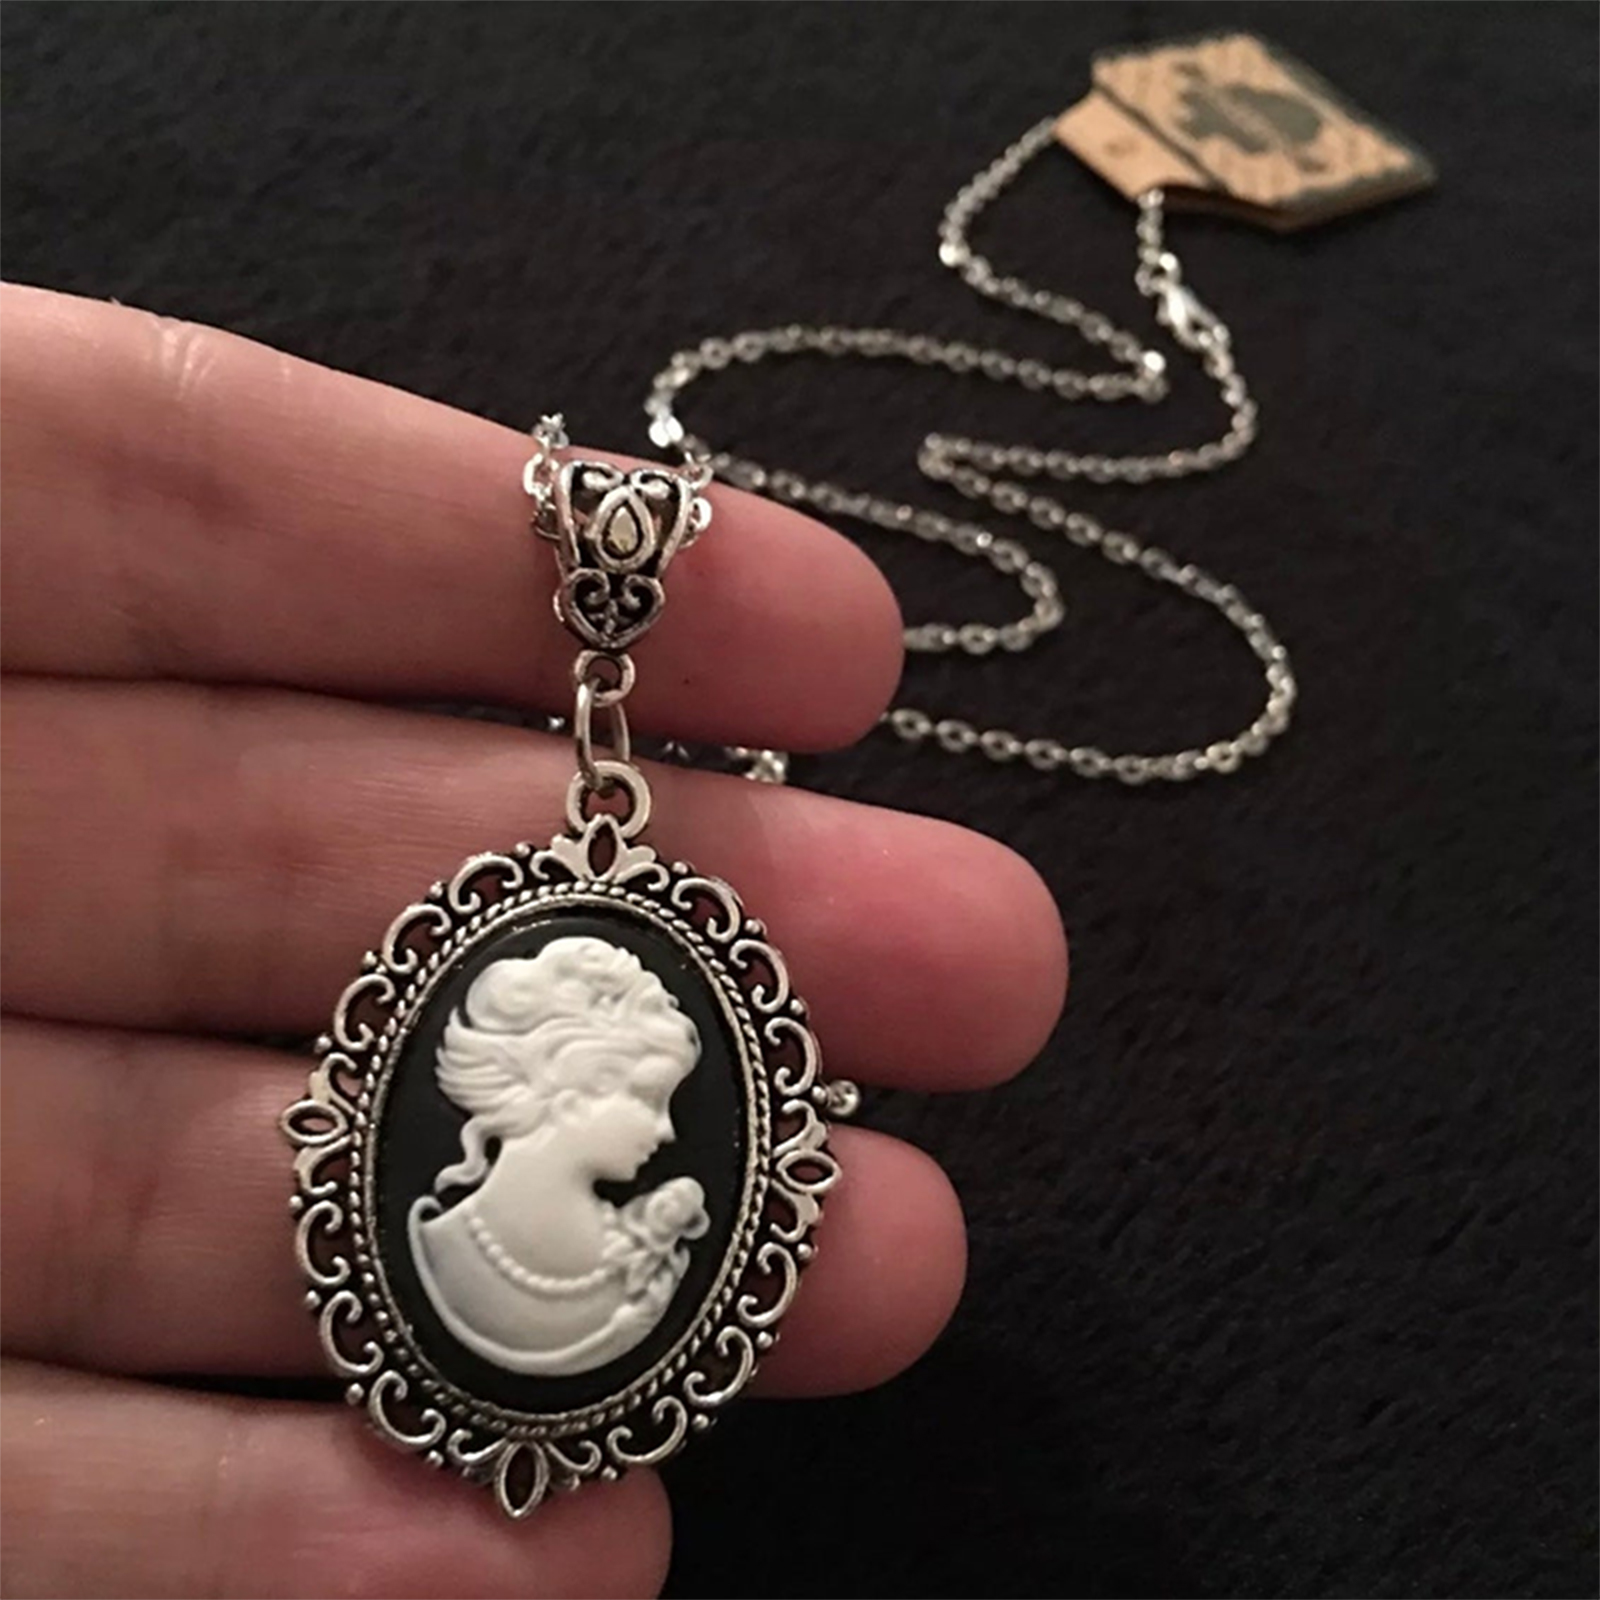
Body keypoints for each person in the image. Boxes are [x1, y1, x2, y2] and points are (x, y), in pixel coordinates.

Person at [0, 283, 1068, 1598]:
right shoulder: (457, 1253)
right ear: (564, 1083)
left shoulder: (634, 1253)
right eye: (652, 1096)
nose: (670, 1132)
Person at [409, 938, 710, 1375]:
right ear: (573, 1093)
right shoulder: (440, 1253)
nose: (668, 1131)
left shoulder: (649, 1261)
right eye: (649, 1098)